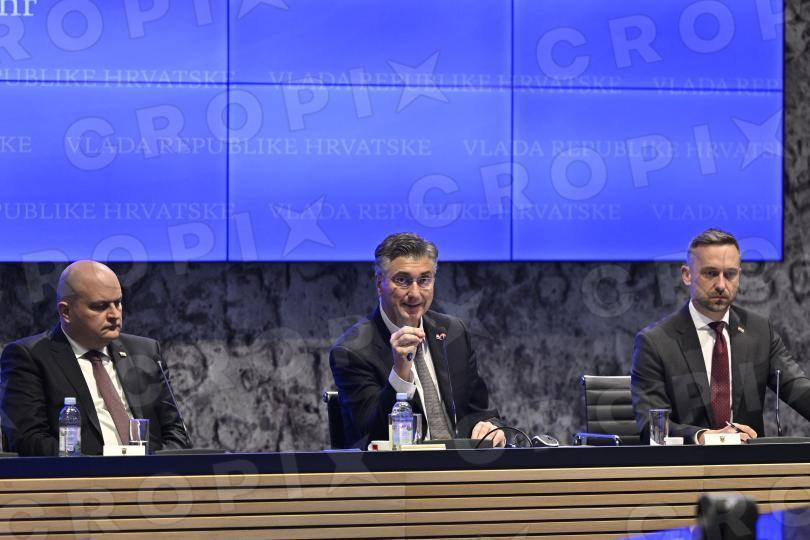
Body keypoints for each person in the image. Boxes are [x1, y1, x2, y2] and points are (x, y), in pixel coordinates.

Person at [631, 229, 810, 444]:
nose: (721, 285)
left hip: (750, 462)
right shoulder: (655, 343)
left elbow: (799, 389)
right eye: (710, 273)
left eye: (730, 274)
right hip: (688, 462)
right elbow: (653, 427)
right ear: (687, 275)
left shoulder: (760, 332)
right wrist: (704, 436)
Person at [330, 232, 506, 449]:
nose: (415, 293)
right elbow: (367, 436)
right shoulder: (352, 351)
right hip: (400, 469)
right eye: (402, 280)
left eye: (424, 280)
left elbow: (484, 412)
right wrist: (400, 374)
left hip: (462, 465)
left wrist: (490, 427)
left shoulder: (454, 333)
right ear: (379, 283)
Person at [0, 260, 191, 456]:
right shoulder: (30, 357)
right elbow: (28, 440)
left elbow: (177, 434)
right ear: (66, 311)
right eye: (100, 306)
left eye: (118, 303)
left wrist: (154, 465)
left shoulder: (146, 351)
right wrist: (98, 466)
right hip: (79, 474)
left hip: (151, 472)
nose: (114, 314)